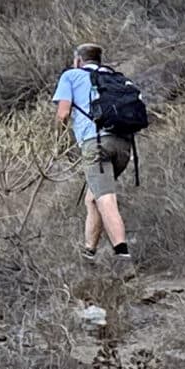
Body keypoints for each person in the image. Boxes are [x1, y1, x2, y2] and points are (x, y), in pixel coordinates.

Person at [53, 42, 132, 267]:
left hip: (96, 146)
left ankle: (123, 254)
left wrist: (57, 140)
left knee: (104, 199)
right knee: (92, 198)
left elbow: (63, 113)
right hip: (123, 144)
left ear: (78, 60)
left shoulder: (71, 75)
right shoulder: (113, 76)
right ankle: (89, 253)